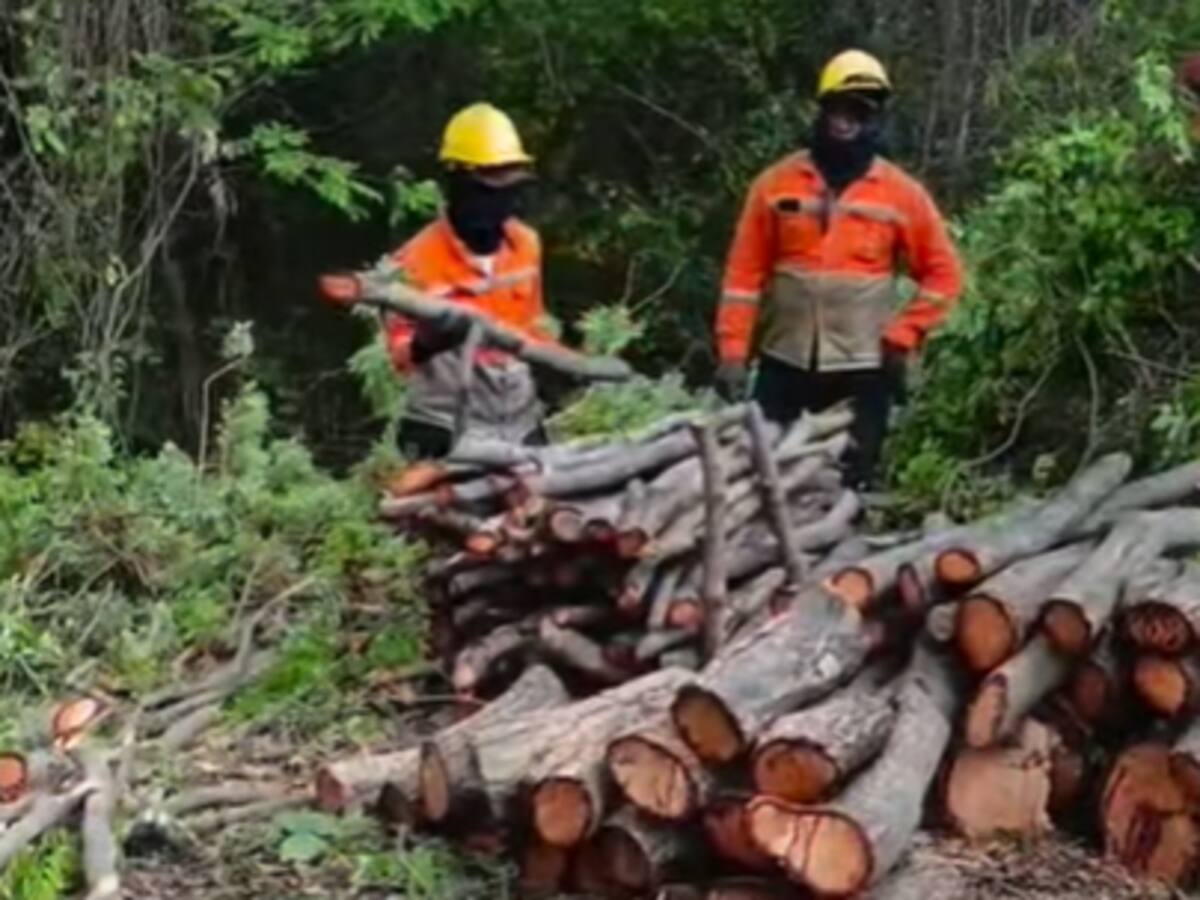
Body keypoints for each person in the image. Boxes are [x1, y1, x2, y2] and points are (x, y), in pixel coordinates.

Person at [714, 50, 964, 488]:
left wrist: (904, 334)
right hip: (784, 360)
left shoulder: (902, 194)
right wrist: (733, 351)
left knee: (850, 479)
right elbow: (742, 276)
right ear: (823, 110)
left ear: (873, 120)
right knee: (760, 472)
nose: (846, 121)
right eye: (839, 109)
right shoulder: (775, 184)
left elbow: (944, 275)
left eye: (859, 112)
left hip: (863, 366)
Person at [383, 102, 554, 459]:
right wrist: (427, 342)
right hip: (443, 429)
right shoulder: (412, 262)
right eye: (489, 190)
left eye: (508, 190)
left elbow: (533, 327)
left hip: (519, 427)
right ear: (457, 183)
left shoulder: (526, 246)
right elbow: (397, 357)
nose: (501, 202)